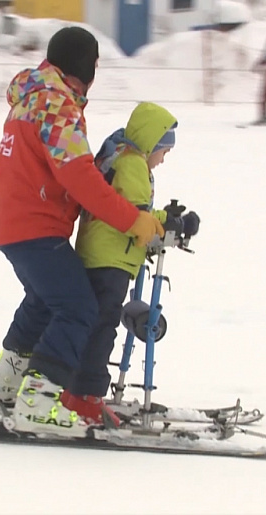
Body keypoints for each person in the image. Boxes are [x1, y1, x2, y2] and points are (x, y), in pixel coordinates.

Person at [0, 27, 166, 437]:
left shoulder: (31, 97)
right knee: (78, 306)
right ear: (86, 65)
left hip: (12, 221)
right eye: (96, 62)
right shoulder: (55, 104)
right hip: (34, 225)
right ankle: (37, 402)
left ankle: (8, 381)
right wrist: (132, 219)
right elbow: (78, 177)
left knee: (46, 300)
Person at [66, 102, 201, 425]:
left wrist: (162, 221)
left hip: (101, 254)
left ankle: (76, 389)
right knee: (104, 325)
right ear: (152, 143)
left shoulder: (118, 158)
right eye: (163, 151)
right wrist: (172, 223)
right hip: (110, 259)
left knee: (96, 323)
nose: (163, 159)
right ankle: (86, 398)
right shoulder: (133, 164)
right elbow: (136, 215)